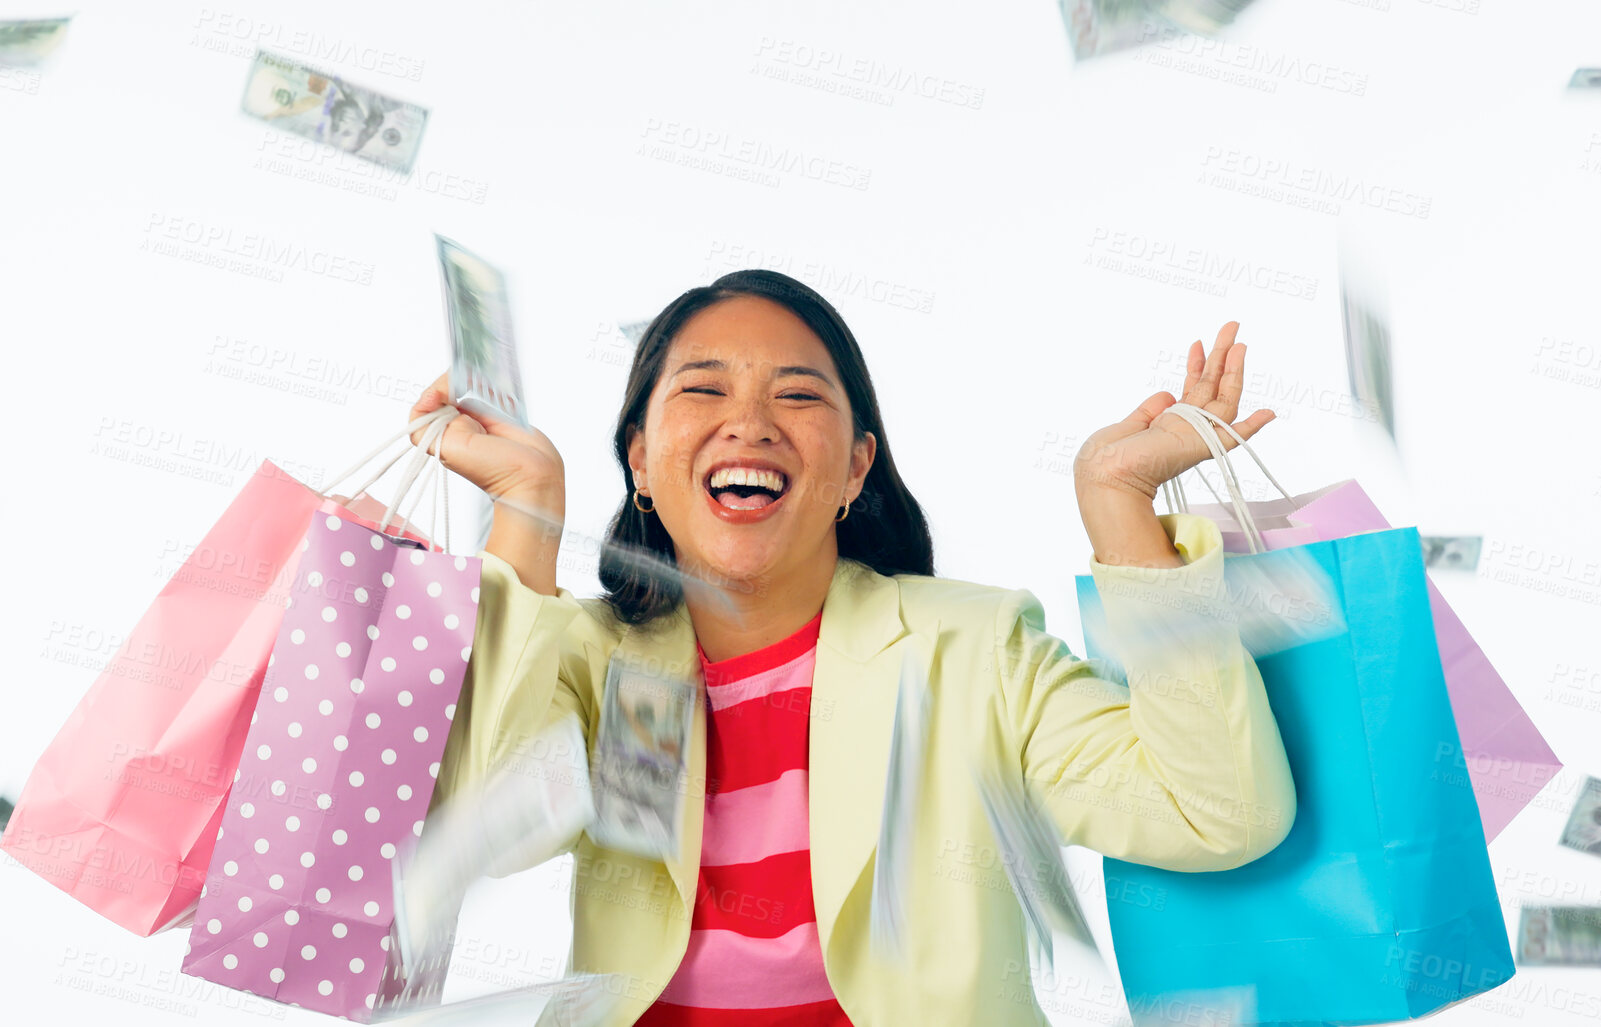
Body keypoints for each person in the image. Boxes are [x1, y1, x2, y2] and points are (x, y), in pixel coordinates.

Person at [405, 269, 1296, 1025]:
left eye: (796, 394)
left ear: (857, 467)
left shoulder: (968, 652)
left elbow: (1212, 813)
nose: (748, 422)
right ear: (639, 460)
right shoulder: (605, 662)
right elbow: (480, 831)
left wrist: (1118, 505)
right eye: (703, 389)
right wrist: (525, 506)